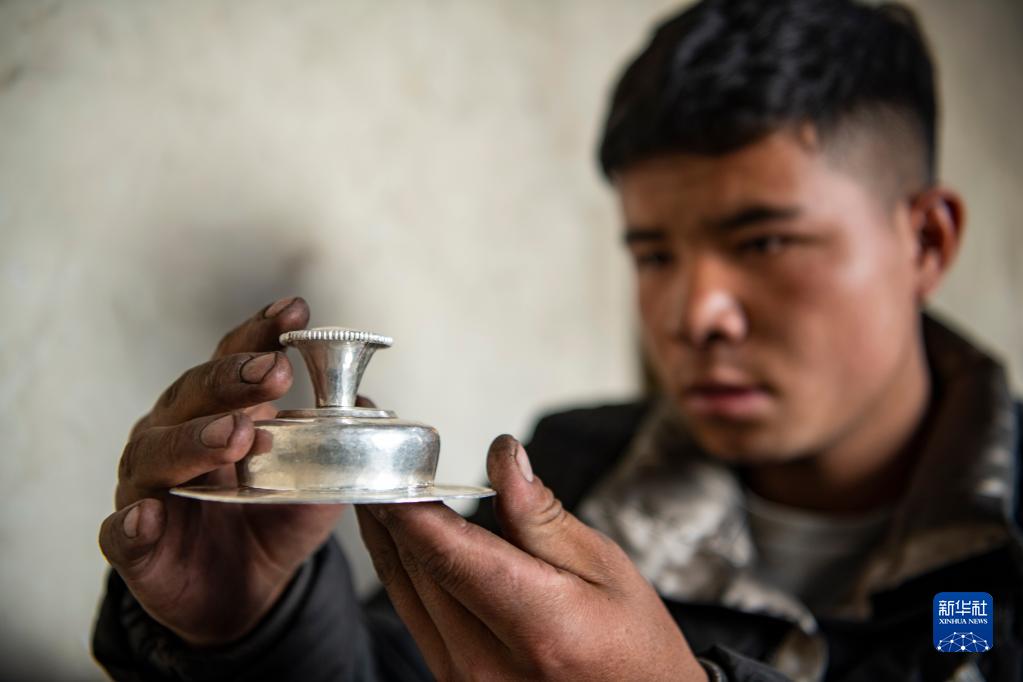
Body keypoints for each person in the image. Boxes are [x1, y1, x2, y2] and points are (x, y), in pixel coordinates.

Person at [93, 0, 1022, 680]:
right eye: (653, 255)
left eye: (764, 243)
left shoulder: (998, 550)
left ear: (925, 241)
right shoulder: (574, 473)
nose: (692, 314)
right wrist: (255, 624)